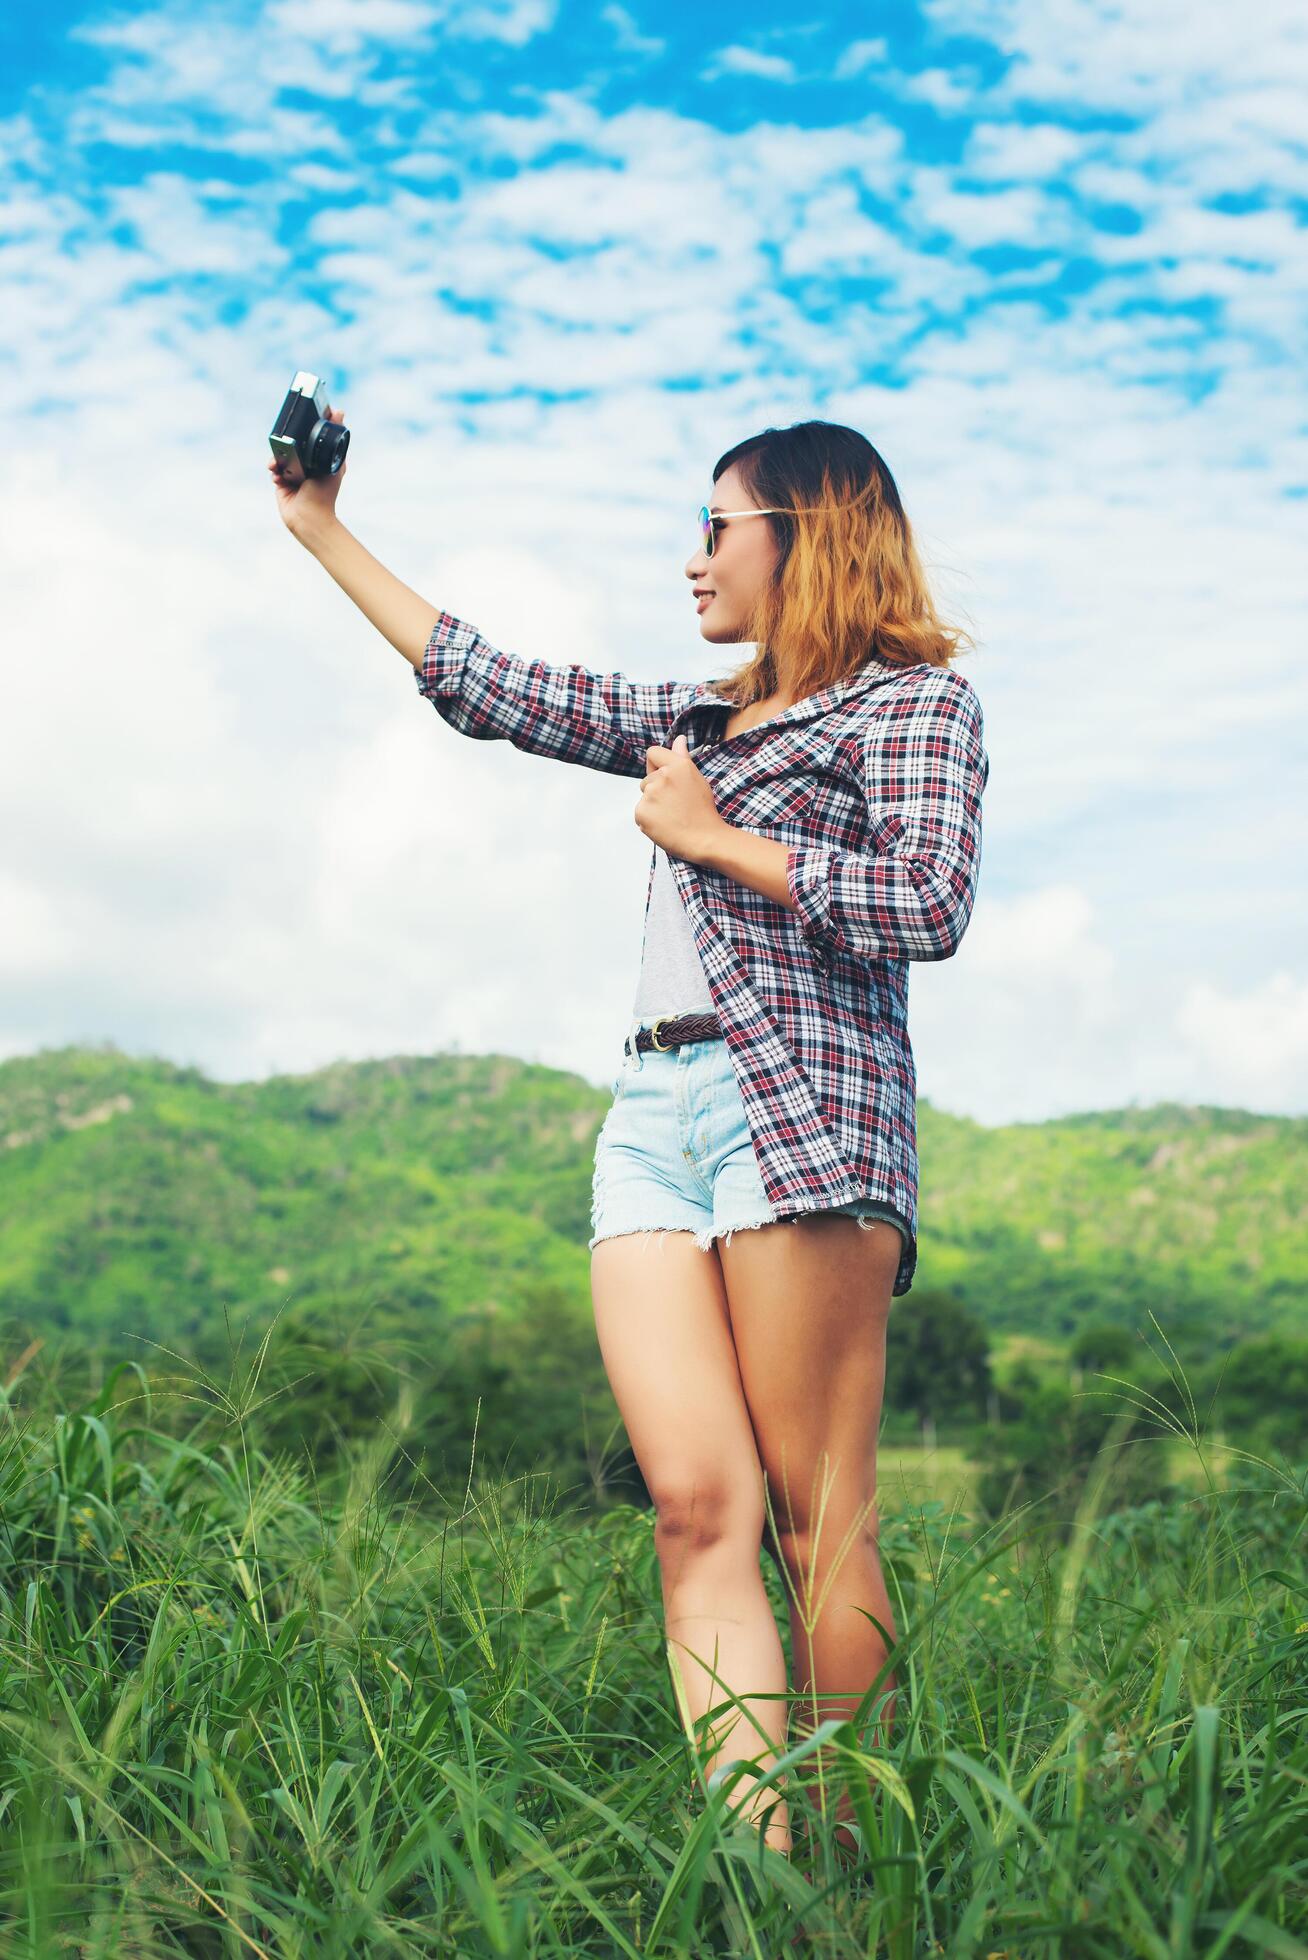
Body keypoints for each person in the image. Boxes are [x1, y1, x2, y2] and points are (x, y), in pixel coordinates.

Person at [269, 414, 989, 1862]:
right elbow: (501, 688)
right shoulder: (705, 722)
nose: (691, 558)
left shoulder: (914, 709)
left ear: (806, 535)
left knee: (815, 1523)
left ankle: (853, 1878)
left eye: (716, 527)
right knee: (692, 1506)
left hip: (802, 1114)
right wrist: (319, 526)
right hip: (653, 1118)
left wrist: (719, 839)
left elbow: (930, 900)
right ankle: (761, 1871)